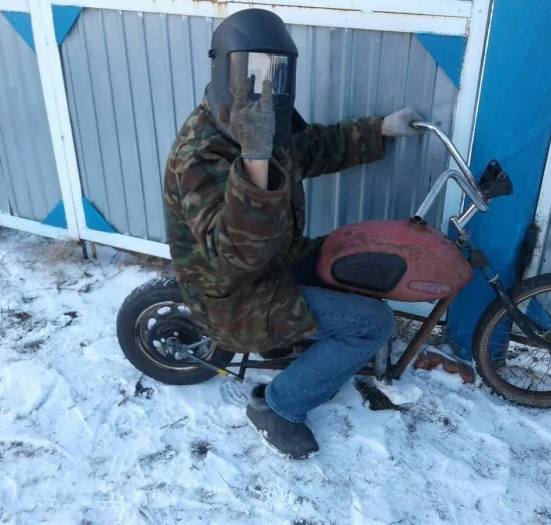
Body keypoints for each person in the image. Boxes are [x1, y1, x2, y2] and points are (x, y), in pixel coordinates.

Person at [164, 8, 422, 459]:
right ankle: (280, 407)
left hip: (275, 265)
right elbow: (235, 256)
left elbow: (313, 148)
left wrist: (378, 130)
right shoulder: (200, 157)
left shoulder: (261, 123)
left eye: (274, 72)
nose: (262, 86)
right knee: (372, 325)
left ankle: (307, 344)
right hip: (235, 297)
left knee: (352, 255)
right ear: (224, 71)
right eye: (249, 74)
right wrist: (254, 159)